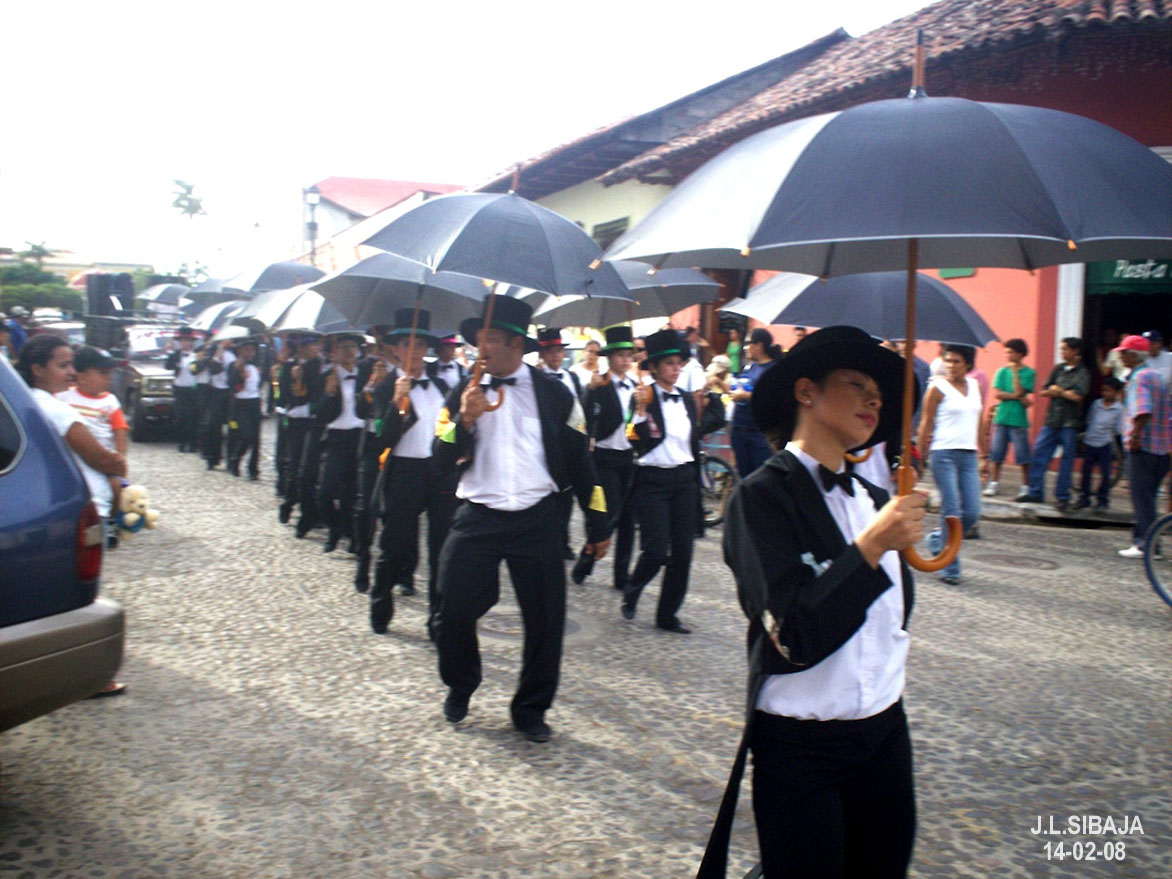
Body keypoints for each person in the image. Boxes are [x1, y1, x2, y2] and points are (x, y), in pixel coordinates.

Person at [704, 325, 924, 879]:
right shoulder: (759, 498)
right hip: (802, 749)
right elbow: (794, 633)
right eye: (856, 383)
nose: (875, 398)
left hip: (884, 735)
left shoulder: (876, 499)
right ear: (806, 391)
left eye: (880, 391)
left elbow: (894, 622)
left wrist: (883, 534)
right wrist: (872, 546)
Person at [431, 296, 611, 744]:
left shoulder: (556, 394)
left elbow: (581, 462)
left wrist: (599, 522)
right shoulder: (461, 391)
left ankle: (530, 709)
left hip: (539, 520)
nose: (480, 349)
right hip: (478, 517)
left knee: (546, 622)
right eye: (477, 341)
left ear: (515, 344)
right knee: (450, 609)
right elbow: (439, 456)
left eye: (490, 340)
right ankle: (461, 682)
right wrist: (463, 421)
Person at [17, 337, 130, 698]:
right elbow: (103, 457)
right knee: (84, 595)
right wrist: (118, 467)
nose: (71, 372)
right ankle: (88, 676)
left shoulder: (29, 402)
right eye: (63, 365)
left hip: (52, 505)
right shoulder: (57, 409)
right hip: (83, 507)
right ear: (38, 369)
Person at [369, 310, 458, 637]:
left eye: (420, 344)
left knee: (442, 549)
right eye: (408, 344)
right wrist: (397, 405)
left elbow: (448, 429)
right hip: (404, 472)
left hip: (439, 474)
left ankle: (438, 619)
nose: (415, 351)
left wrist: (450, 447)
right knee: (394, 544)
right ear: (396, 348)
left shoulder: (440, 385)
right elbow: (382, 437)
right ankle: (381, 605)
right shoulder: (384, 388)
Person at [621, 329, 700, 633]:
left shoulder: (686, 400)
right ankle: (633, 587)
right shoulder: (642, 395)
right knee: (655, 550)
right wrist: (640, 411)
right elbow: (631, 438)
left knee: (683, 553)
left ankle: (667, 615)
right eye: (669, 363)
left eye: (678, 363)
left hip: (683, 480)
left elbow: (692, 439)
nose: (676, 368)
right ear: (653, 367)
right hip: (651, 481)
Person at [576, 326, 639, 592]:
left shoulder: (638, 387)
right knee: (606, 514)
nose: (626, 360)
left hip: (629, 458)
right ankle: (587, 559)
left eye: (629, 355)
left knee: (628, 519)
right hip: (603, 458)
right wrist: (589, 392)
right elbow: (581, 416)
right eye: (620, 355)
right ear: (610, 358)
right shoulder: (598, 384)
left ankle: (621, 575)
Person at [917, 344, 984, 585]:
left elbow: (979, 421)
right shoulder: (937, 388)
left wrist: (984, 455)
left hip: (969, 456)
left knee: (973, 512)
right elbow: (925, 424)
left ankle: (937, 541)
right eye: (948, 360)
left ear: (967, 363)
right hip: (943, 454)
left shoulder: (975, 386)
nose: (951, 365)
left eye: (956, 361)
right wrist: (920, 455)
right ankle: (949, 567)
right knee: (952, 510)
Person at [56, 345, 129, 532]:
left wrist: (120, 455)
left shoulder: (110, 401)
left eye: (110, 373)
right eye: (102, 372)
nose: (109, 378)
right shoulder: (63, 398)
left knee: (114, 487)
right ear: (81, 376)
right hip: (73, 457)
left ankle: (109, 521)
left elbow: (120, 428)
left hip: (102, 458)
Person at [1115, 335, 1171, 558]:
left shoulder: (1139, 378)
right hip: (1161, 447)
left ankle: (1146, 545)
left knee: (1142, 498)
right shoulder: (1157, 376)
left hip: (1143, 447)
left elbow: (1143, 410)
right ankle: (1145, 542)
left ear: (1133, 355)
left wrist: (1136, 435)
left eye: (1123, 352)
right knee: (1148, 497)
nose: (1120, 356)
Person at [1021, 337, 1091, 509]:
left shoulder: (1083, 373)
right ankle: (1035, 492)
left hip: (1070, 422)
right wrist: (1060, 392)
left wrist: (1059, 391)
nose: (1062, 352)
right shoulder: (1058, 369)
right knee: (1038, 453)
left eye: (1066, 349)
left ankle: (1062, 496)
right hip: (1052, 420)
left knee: (1067, 460)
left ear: (1076, 351)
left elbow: (1078, 396)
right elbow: (1044, 390)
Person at [313, 332, 366, 553]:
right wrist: (329, 393)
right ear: (336, 351)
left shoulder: (366, 375)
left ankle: (352, 536)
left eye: (352, 347)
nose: (348, 351)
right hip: (336, 438)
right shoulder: (327, 376)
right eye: (343, 347)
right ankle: (333, 529)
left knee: (351, 493)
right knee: (326, 490)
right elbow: (320, 413)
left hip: (359, 437)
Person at [537, 327, 584, 560]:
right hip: (547, 443)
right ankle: (546, 538)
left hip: (570, 443)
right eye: (551, 352)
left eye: (559, 351)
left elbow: (580, 411)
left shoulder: (572, 377)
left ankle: (563, 541)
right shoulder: (537, 378)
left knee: (567, 495)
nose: (556, 356)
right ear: (542, 354)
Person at [984, 338, 1034, 499]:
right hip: (1002, 417)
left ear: (1020, 354)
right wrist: (1017, 397)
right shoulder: (1001, 371)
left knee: (1022, 455)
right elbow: (998, 394)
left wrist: (1014, 374)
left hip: (1018, 420)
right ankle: (994, 483)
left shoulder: (1029, 373)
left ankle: (1025, 486)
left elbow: (1021, 391)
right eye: (1007, 352)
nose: (1008, 355)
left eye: (1011, 352)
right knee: (996, 454)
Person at [729, 328, 781, 479]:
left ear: (759, 345)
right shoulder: (750, 366)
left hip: (758, 432)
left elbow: (773, 396)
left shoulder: (773, 369)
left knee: (760, 477)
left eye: (749, 343)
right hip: (739, 428)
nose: (746, 347)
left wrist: (745, 395)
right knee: (743, 476)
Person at [1077, 377, 1124, 512]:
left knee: (1105, 474)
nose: (1105, 393)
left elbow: (1118, 430)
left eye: (1109, 391)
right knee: (1086, 472)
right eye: (1104, 390)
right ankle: (1084, 499)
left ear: (1116, 392)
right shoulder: (1096, 404)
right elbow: (1090, 420)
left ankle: (1102, 501)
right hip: (1091, 441)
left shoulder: (1119, 409)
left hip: (1106, 444)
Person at [226, 337, 262, 480]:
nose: (250, 353)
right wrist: (241, 377)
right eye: (247, 350)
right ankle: (235, 458)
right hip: (240, 404)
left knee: (256, 439)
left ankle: (253, 469)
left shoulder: (255, 366)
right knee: (246, 435)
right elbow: (233, 387)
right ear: (240, 351)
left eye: (252, 350)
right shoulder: (234, 366)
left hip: (255, 402)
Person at [201, 337, 236, 470]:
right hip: (215, 392)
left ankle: (231, 459)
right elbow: (212, 369)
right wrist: (217, 355)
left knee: (233, 426)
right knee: (214, 426)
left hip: (230, 393)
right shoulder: (211, 352)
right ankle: (212, 457)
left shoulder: (234, 354)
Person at [166, 326, 200, 453]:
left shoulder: (196, 355)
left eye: (189, 340)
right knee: (181, 416)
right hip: (180, 388)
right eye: (184, 340)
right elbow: (168, 366)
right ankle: (182, 442)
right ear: (179, 342)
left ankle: (193, 443)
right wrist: (171, 354)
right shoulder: (175, 355)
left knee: (193, 416)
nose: (186, 343)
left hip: (193, 388)